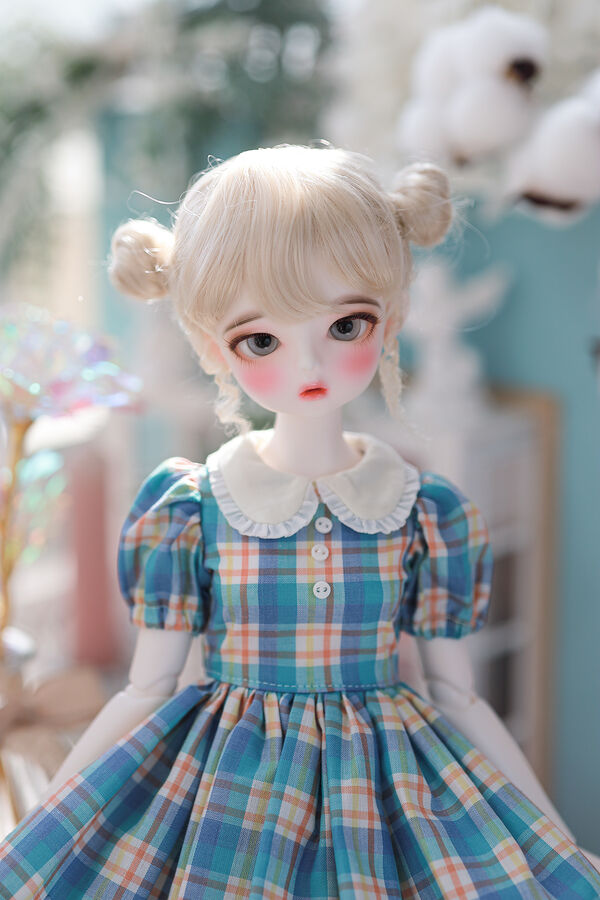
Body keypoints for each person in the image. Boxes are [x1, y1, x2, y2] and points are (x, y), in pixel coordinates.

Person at [1, 144, 598, 899]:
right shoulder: (195, 508)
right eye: (263, 340)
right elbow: (146, 688)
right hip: (227, 789)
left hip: (386, 791)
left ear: (391, 317)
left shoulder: (420, 509)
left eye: (347, 325)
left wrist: (554, 837)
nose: (309, 363)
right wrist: (47, 824)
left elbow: (460, 696)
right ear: (213, 345)